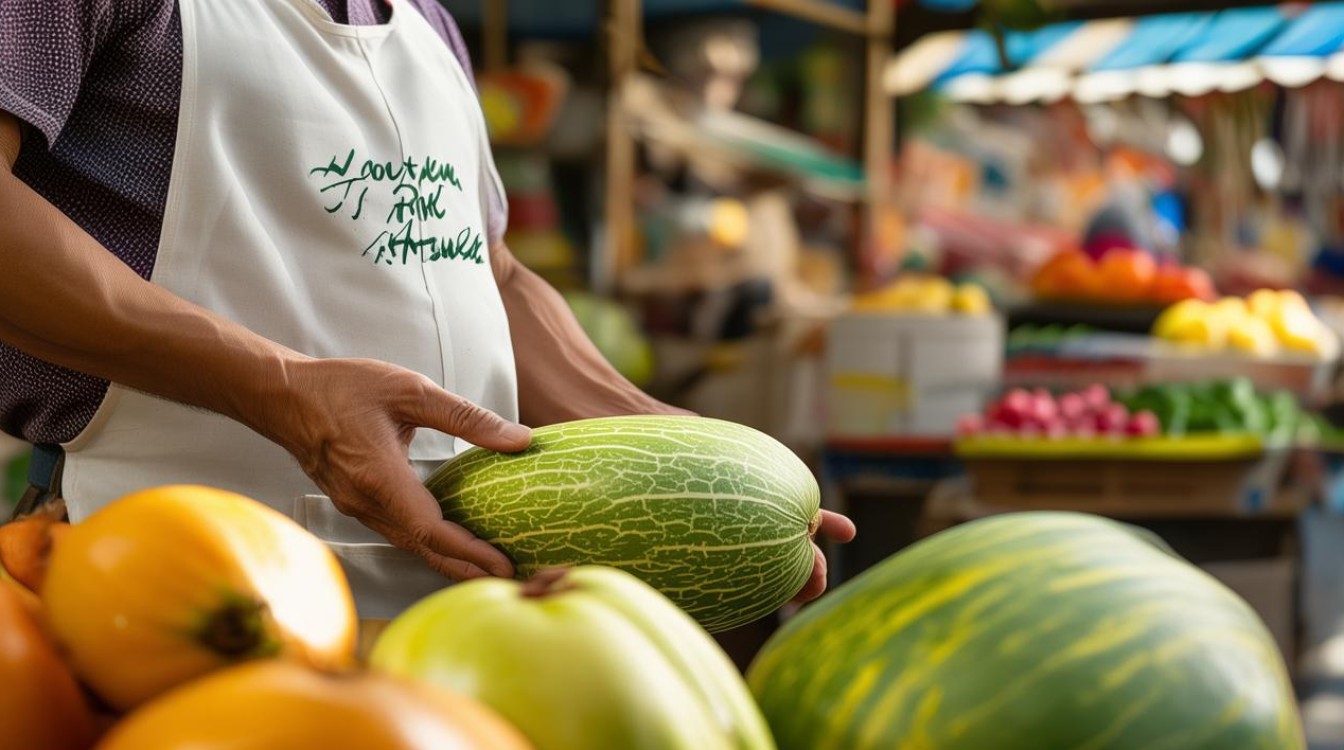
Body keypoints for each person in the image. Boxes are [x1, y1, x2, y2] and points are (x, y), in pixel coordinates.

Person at [0, 0, 854, 618]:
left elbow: (487, 268)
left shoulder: (428, 22)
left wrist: (664, 442)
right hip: (165, 593)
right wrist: (280, 389)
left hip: (461, 616)